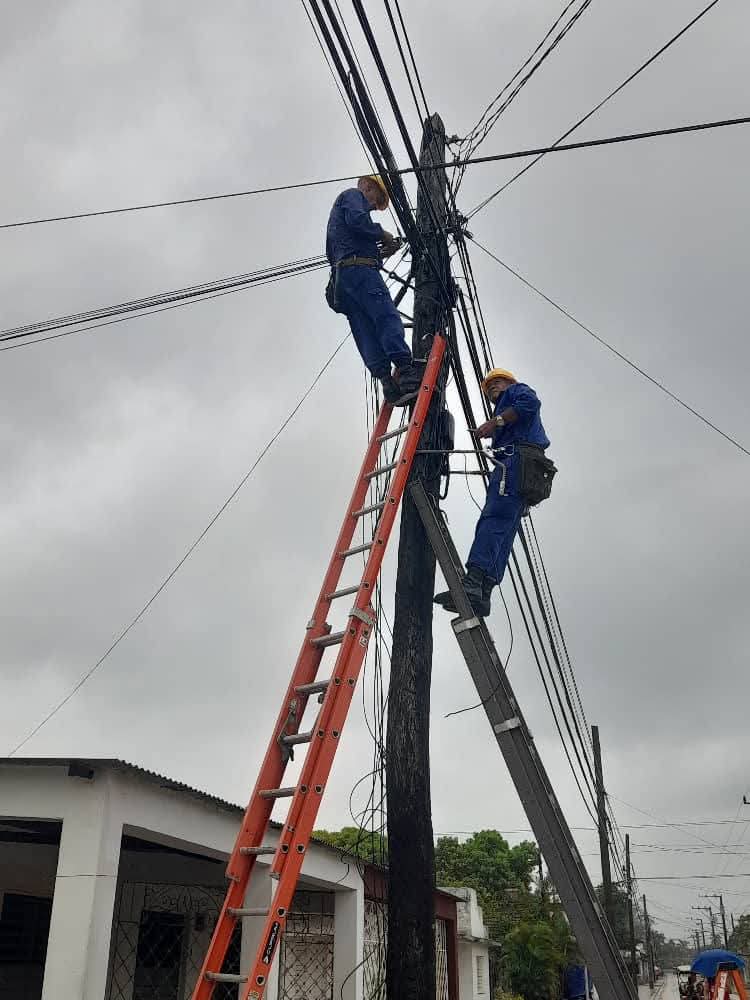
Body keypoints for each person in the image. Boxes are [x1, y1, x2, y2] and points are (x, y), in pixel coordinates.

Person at [434, 366, 550, 618]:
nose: (492, 388)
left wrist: (495, 422)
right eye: (488, 387)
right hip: (523, 468)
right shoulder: (506, 411)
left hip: (516, 462)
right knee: (505, 530)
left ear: (509, 382)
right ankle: (483, 594)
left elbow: (531, 402)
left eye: (497, 382)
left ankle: (473, 582)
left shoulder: (517, 392)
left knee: (493, 519)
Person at [326, 175, 423, 405]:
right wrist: (382, 234)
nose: (371, 207)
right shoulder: (353, 195)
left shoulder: (337, 220)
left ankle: (387, 383)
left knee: (365, 330)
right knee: (385, 317)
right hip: (362, 273)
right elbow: (358, 220)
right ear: (368, 187)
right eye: (374, 201)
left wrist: (379, 252)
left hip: (344, 280)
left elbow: (348, 243)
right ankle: (406, 372)